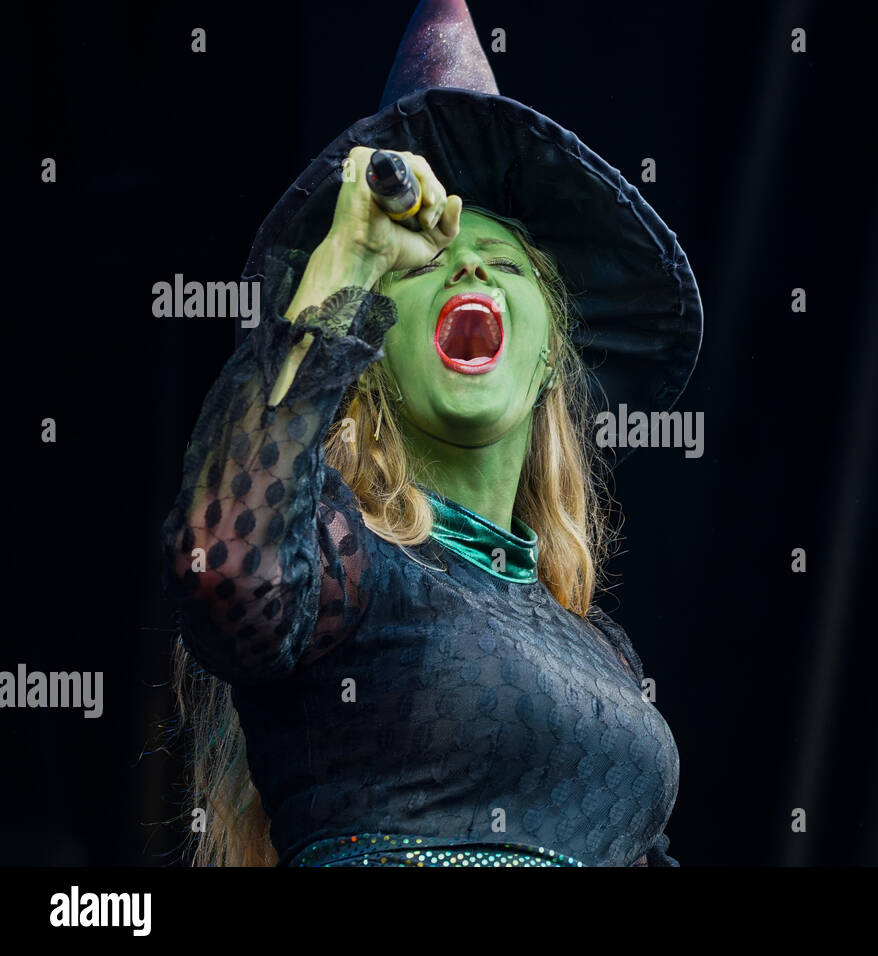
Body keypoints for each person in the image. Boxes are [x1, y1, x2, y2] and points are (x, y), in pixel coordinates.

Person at [158, 0, 702, 867]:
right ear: (371, 354)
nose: (472, 264)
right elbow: (224, 568)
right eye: (431, 263)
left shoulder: (601, 650)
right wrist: (352, 258)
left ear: (550, 358)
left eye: (507, 262)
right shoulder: (344, 563)